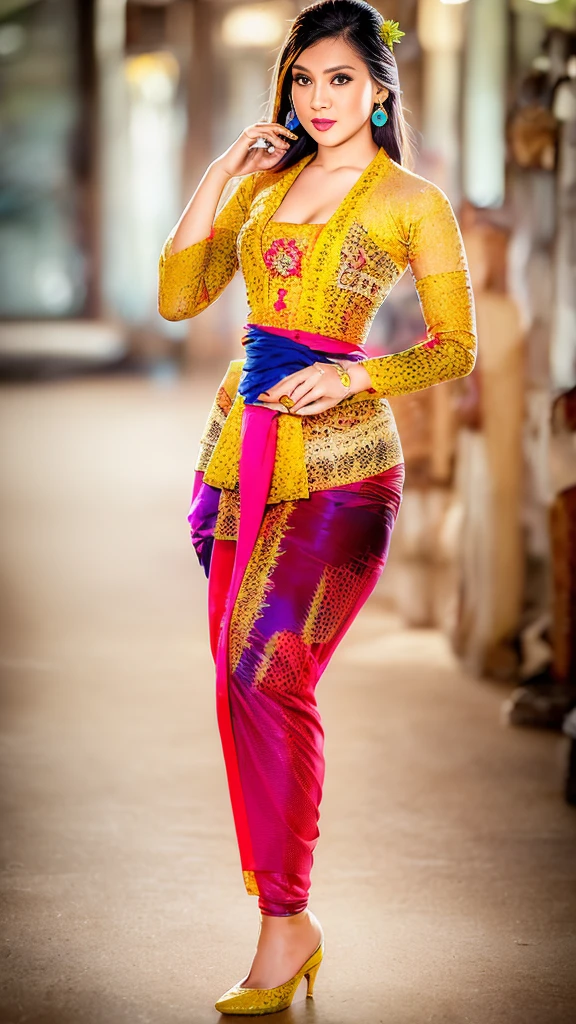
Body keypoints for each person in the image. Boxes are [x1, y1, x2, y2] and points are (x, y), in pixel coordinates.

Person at [158, 0, 477, 1015]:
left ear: (381, 88)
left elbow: (455, 345)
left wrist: (358, 376)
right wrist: (222, 174)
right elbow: (179, 294)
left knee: (266, 672)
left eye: (340, 79)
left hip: (341, 473)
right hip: (235, 464)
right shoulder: (269, 185)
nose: (319, 99)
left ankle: (287, 920)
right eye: (303, 80)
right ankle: (288, 921)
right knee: (238, 679)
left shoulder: (411, 203)